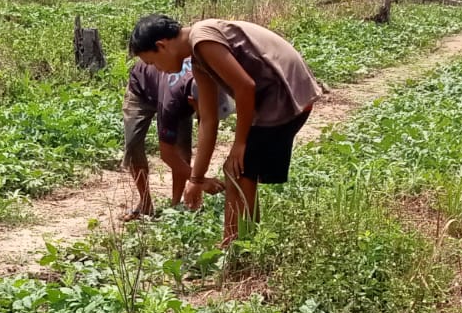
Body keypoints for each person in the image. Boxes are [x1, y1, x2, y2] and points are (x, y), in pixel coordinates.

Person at [127, 14, 320, 246]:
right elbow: (208, 120)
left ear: (162, 46)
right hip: (276, 97)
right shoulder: (198, 60)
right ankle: (239, 243)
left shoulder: (202, 39)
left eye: (153, 63)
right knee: (240, 172)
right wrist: (196, 179)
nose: (159, 70)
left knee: (239, 171)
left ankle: (238, 246)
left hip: (284, 94)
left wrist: (240, 143)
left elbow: (245, 86)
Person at [122, 57, 224, 219]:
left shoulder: (207, 79)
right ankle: (145, 203)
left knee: (183, 149)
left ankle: (176, 205)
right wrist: (200, 181)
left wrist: (196, 180)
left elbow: (206, 132)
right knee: (133, 146)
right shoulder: (172, 101)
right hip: (141, 89)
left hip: (176, 93)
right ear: (192, 101)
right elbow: (167, 153)